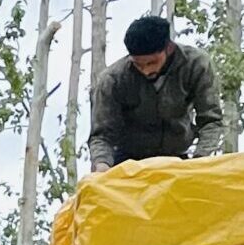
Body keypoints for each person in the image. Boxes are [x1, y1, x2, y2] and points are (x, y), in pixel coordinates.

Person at [89, 14, 225, 171]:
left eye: (152, 62)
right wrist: (102, 165)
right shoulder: (113, 80)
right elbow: (102, 135)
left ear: (169, 48)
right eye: (138, 65)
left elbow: (211, 121)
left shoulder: (196, 65)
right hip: (129, 162)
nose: (146, 70)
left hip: (177, 158)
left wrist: (200, 160)